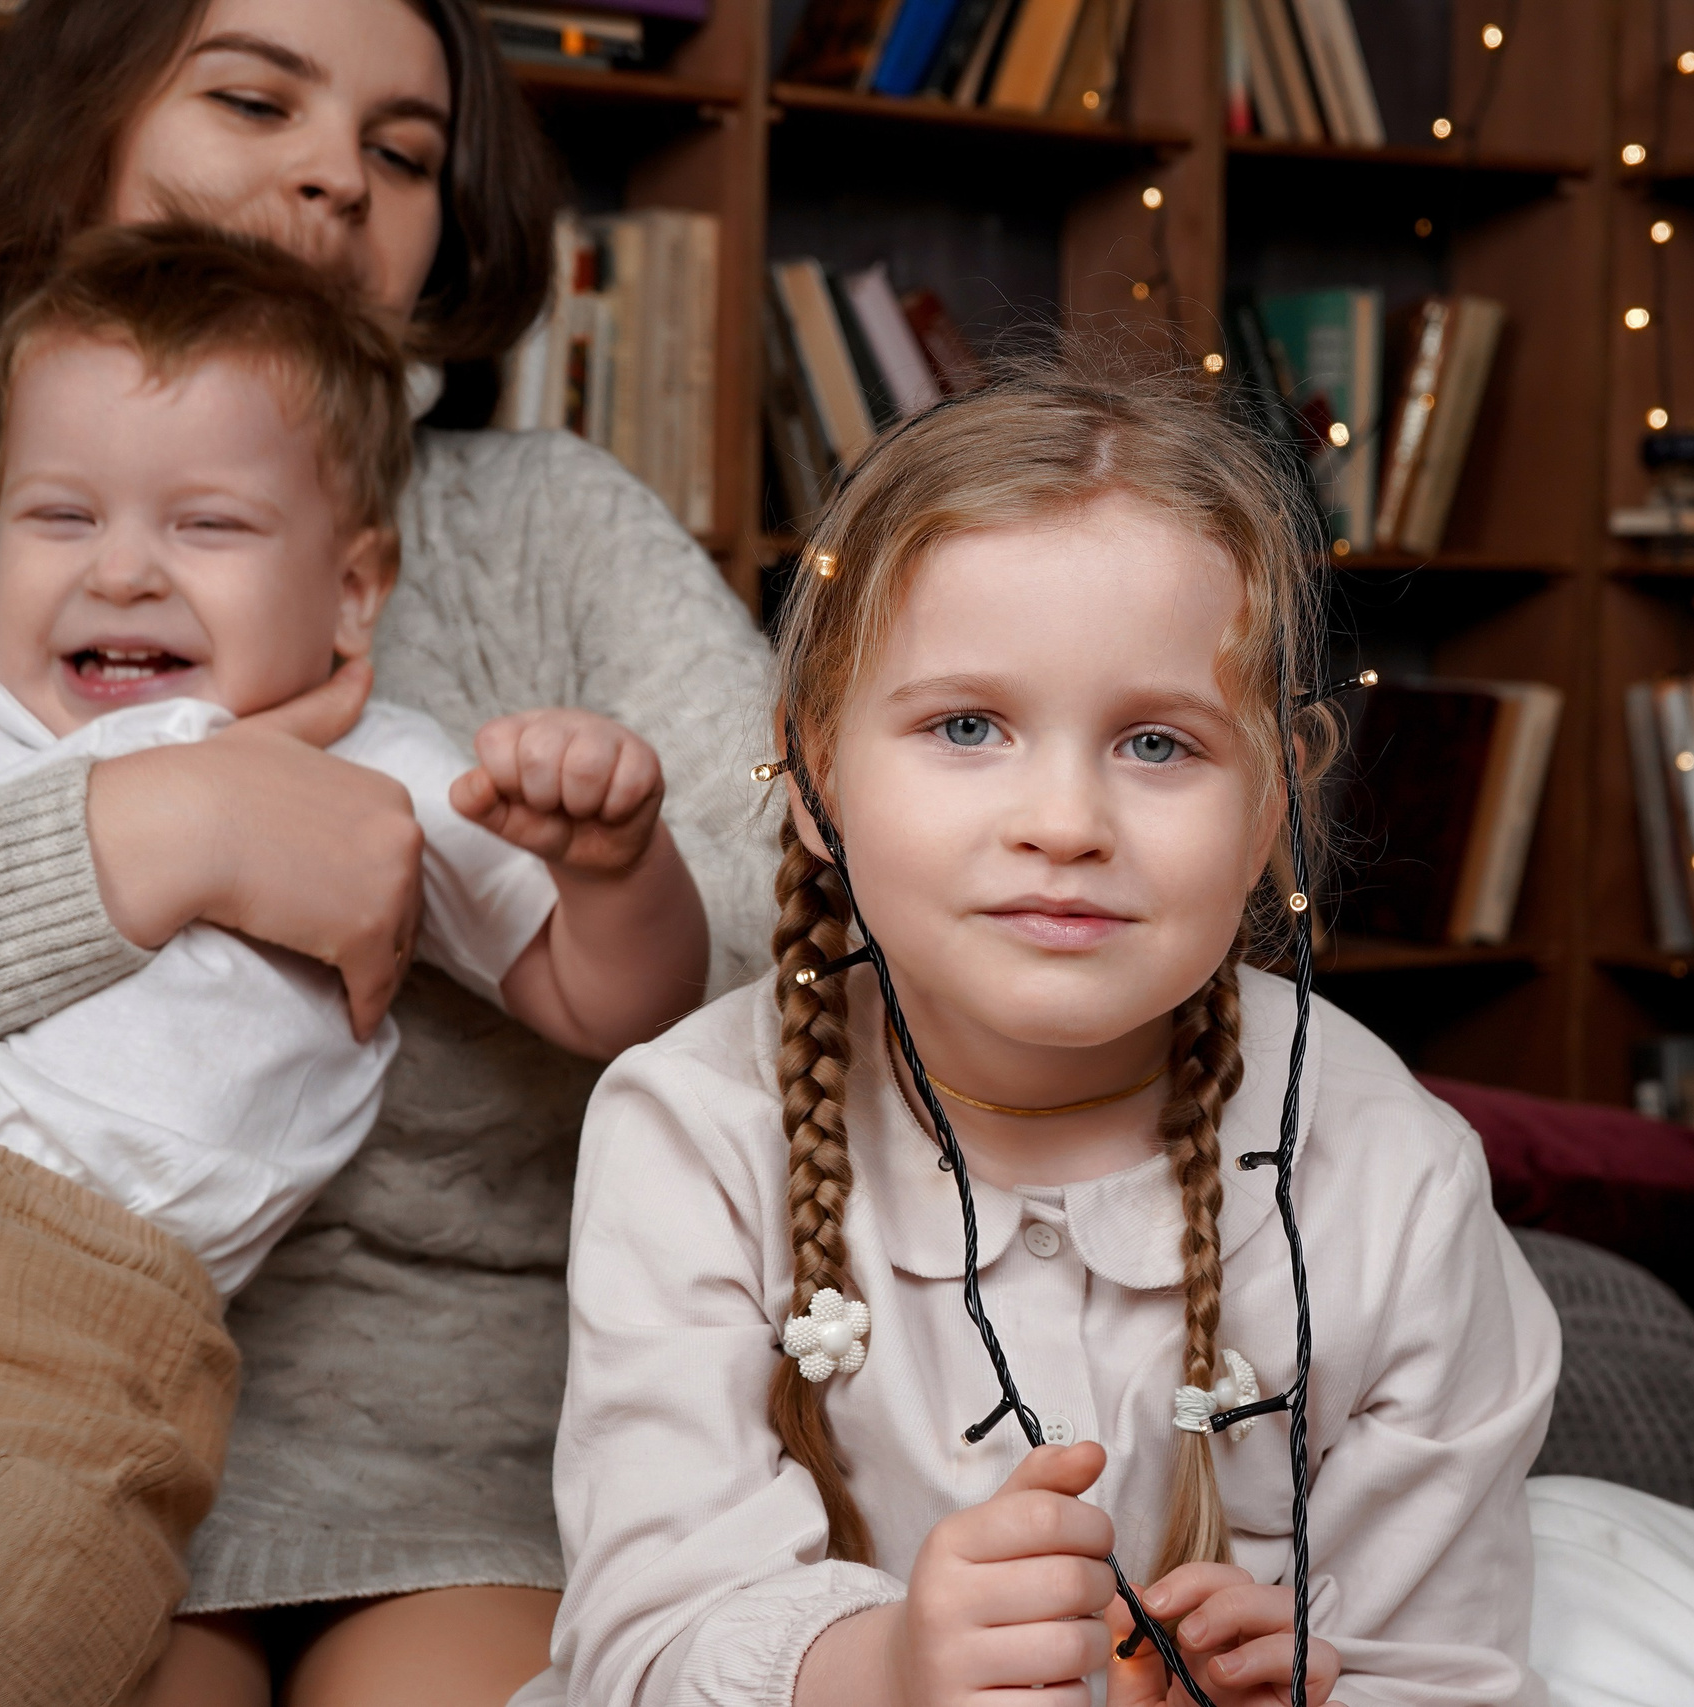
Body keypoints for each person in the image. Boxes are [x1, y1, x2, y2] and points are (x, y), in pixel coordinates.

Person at [0, 0, 778, 1699]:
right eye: (256, 96)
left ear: (358, 579)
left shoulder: (549, 525)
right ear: (86, 125)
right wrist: (162, 826)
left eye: (404, 152)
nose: (337, 177)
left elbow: (786, 932)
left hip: (466, 1453)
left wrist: (612, 859)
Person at [525, 366, 1561, 1707]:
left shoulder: (1393, 1171)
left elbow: (1448, 1667)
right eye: (968, 725)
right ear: (817, 774)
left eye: (1156, 742)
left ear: (1271, 803)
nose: (1064, 819)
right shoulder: (691, 1129)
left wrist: (1293, 1688)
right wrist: (885, 1667)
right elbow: (644, 1642)